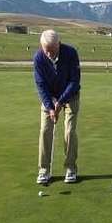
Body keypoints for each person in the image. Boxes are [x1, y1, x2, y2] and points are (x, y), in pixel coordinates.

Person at [33, 30, 81, 184]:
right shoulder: (39, 58)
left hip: (70, 96)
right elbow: (40, 85)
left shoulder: (71, 53)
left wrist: (60, 102)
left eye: (52, 51)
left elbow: (74, 82)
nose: (49, 54)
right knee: (45, 130)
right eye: (46, 50)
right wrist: (50, 106)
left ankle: (71, 168)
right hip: (49, 97)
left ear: (59, 44)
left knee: (69, 131)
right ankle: (44, 170)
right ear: (41, 46)